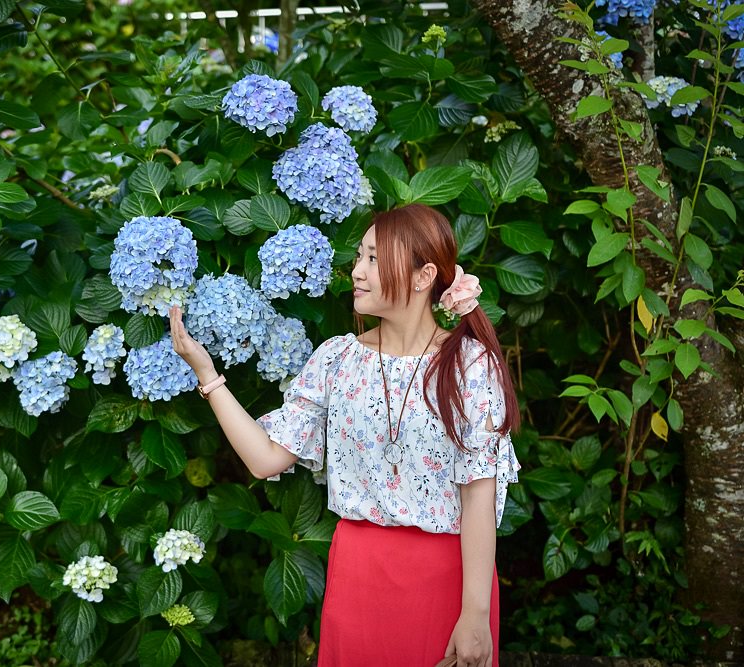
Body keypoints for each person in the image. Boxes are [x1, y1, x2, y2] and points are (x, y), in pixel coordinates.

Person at [169, 203, 521, 667]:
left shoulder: (469, 366)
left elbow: (479, 493)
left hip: (447, 580)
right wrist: (208, 375)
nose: (356, 271)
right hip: (357, 576)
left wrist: (474, 615)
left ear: (423, 276)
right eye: (359, 256)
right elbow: (266, 458)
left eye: (374, 259)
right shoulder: (337, 359)